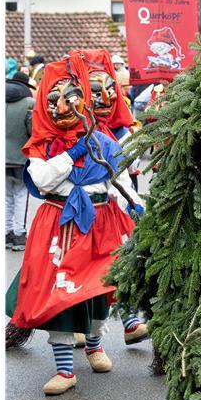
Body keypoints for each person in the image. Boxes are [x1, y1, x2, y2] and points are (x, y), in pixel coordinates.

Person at [5, 54, 145, 395]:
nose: (63, 106)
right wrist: (72, 154)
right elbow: (43, 180)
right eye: (55, 100)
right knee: (59, 293)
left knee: (98, 289)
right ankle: (65, 370)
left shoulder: (104, 141)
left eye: (71, 98)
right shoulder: (42, 145)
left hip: (101, 222)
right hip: (59, 223)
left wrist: (136, 205)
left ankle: (95, 346)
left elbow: (118, 178)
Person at [72, 49, 150, 346]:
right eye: (96, 91)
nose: (105, 98)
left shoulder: (122, 129)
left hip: (116, 206)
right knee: (81, 266)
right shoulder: (71, 128)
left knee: (121, 260)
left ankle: (130, 320)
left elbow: (123, 172)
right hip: (79, 209)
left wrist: (133, 202)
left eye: (110, 89)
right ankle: (78, 324)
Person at [6, 59, 35, 251]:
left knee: (6, 196)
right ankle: (19, 235)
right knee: (21, 196)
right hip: (20, 158)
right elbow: (33, 131)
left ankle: (6, 232)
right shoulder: (29, 103)